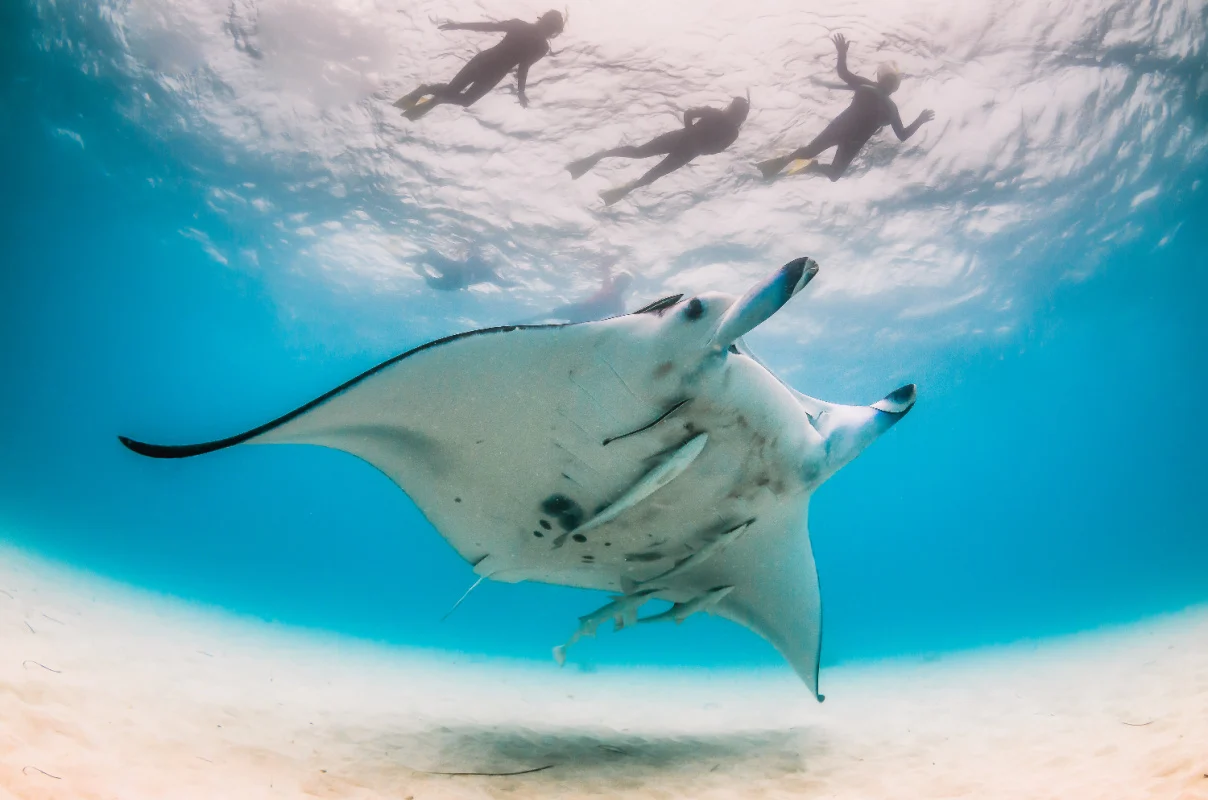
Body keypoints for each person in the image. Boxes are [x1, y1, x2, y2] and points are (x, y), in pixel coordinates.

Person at [757, 34, 934, 181]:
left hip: (851, 139)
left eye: (892, 80)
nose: (889, 83)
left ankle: (810, 167)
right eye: (889, 78)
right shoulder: (875, 93)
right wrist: (841, 52)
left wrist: (920, 120)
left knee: (833, 174)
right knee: (811, 153)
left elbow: (902, 136)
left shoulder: (890, 107)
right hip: (843, 130)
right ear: (883, 80)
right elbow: (844, 73)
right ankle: (786, 161)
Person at [567, 95, 750, 205]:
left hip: (687, 145)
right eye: (734, 108)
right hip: (686, 145)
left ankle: (620, 176)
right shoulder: (719, 118)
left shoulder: (730, 129)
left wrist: (692, 136)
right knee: (643, 158)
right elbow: (692, 117)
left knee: (650, 168)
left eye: (735, 109)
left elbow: (715, 146)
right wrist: (692, 135)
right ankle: (605, 159)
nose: (732, 111)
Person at [394, 10, 565, 120]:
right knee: (453, 92)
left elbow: (524, 66)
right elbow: (489, 27)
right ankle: (430, 93)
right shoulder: (524, 30)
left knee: (465, 100)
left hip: (491, 70)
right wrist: (459, 25)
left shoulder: (541, 46)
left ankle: (434, 96)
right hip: (487, 65)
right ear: (544, 21)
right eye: (550, 25)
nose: (549, 30)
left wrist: (521, 91)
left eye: (552, 28)